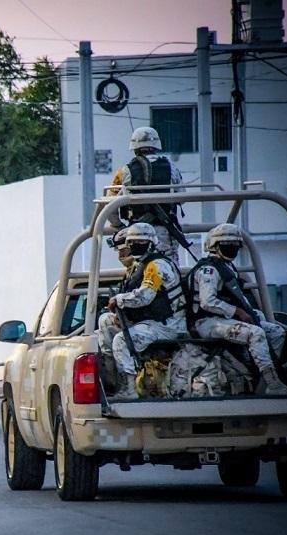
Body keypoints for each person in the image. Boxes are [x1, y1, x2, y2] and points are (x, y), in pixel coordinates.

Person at [187, 223, 287, 396]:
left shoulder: (228, 268)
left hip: (225, 320)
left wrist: (250, 314)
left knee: (276, 331)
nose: (231, 249)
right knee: (255, 333)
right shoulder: (208, 270)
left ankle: (260, 379)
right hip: (206, 321)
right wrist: (237, 312)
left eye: (235, 245)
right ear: (215, 246)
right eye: (227, 245)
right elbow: (207, 301)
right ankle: (274, 385)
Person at [103, 223, 187, 399]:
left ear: (151, 242)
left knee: (121, 341)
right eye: (132, 242)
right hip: (152, 321)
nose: (135, 246)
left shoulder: (156, 265)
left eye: (140, 242)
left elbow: (145, 296)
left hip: (167, 325)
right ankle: (113, 381)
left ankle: (130, 390)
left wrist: (119, 300)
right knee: (106, 322)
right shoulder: (140, 265)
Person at [108, 126, 184, 264]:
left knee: (137, 272)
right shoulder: (172, 168)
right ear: (157, 145)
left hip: (136, 233)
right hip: (165, 231)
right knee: (169, 270)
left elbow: (110, 206)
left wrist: (119, 226)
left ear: (134, 147)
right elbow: (182, 198)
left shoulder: (123, 171)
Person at [97, 228, 135, 387]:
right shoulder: (133, 271)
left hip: (156, 324)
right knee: (106, 320)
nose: (120, 256)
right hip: (140, 322)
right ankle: (113, 381)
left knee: (113, 332)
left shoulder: (148, 268)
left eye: (124, 251)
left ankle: (124, 385)